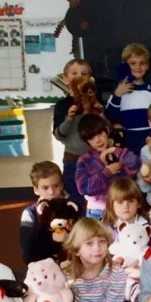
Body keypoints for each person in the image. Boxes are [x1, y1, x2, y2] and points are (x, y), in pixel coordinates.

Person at [75, 114, 140, 220]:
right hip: (98, 212)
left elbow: (136, 164)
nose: (98, 140)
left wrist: (116, 151)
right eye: (91, 138)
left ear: (107, 131)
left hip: (123, 209)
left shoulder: (119, 153)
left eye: (100, 133)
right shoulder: (84, 160)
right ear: (86, 141)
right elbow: (83, 188)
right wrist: (107, 173)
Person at [52, 58, 94, 208]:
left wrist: (97, 113)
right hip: (72, 159)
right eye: (74, 73)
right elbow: (58, 135)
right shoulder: (62, 105)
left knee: (96, 193)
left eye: (84, 73)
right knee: (74, 197)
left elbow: (105, 130)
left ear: (90, 78)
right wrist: (69, 118)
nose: (79, 76)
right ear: (65, 79)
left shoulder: (94, 101)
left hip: (94, 158)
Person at [105, 43, 151, 153]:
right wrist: (117, 95)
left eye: (142, 63)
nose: (138, 67)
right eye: (132, 63)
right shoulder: (119, 90)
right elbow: (108, 118)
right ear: (124, 66)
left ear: (147, 66)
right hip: (128, 145)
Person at [19, 161, 68, 265]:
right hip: (42, 264)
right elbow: (27, 247)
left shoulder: (70, 208)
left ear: (62, 185)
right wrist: (51, 238)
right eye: (45, 188)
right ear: (36, 190)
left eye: (56, 186)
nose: (51, 192)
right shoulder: (30, 213)